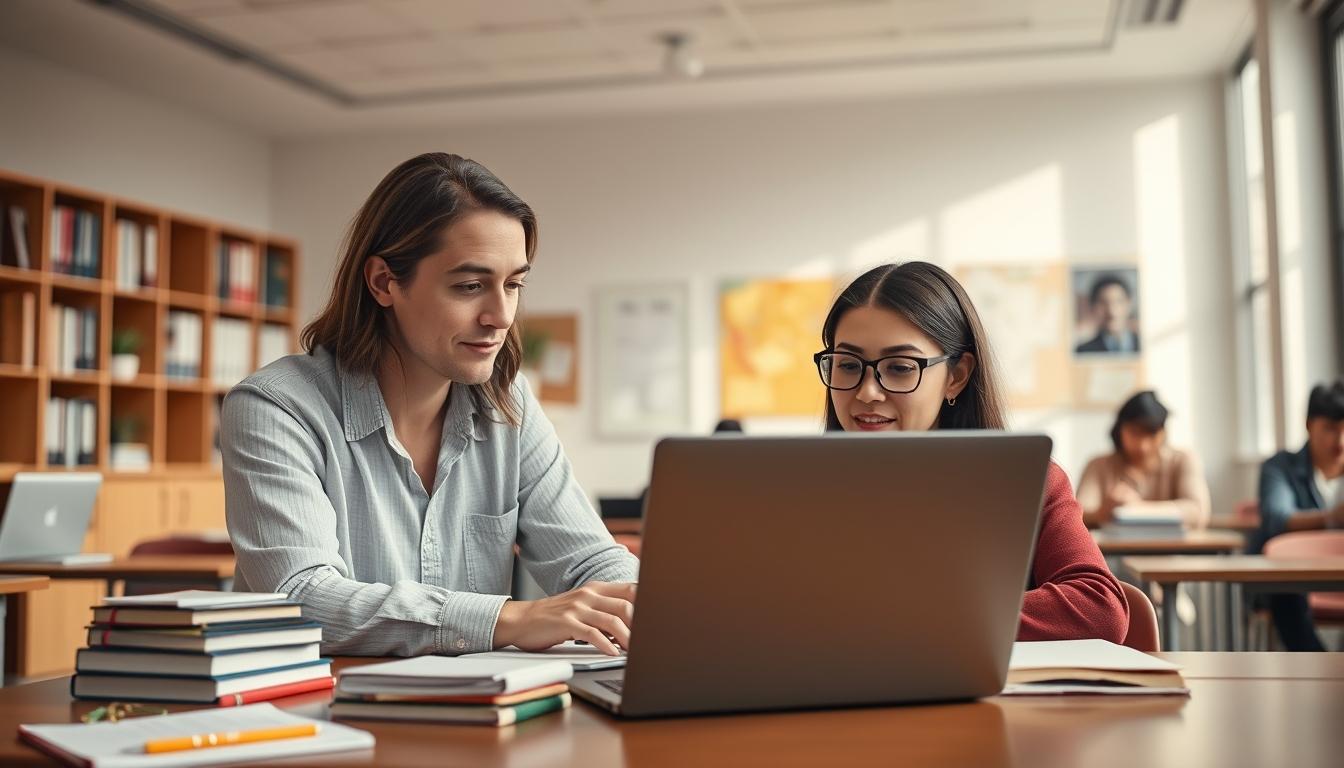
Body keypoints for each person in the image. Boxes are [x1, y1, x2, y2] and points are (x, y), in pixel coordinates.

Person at [221, 153, 638, 657]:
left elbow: (590, 561)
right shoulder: (277, 408)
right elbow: (299, 598)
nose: (501, 316)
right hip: (320, 716)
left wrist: (647, 604)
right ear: (384, 283)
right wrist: (510, 618)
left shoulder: (509, 406)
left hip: (477, 714)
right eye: (469, 286)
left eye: (514, 285)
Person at [814, 262, 1128, 642]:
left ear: (957, 376)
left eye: (899, 367)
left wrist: (911, 618)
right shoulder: (793, 489)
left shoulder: (1026, 481)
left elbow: (1099, 609)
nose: (867, 392)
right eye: (848, 365)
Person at [1254, 380, 1344, 651]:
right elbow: (1277, 517)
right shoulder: (1280, 467)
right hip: (1293, 584)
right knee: (1285, 593)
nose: (1339, 441)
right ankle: (1323, 671)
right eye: (1329, 429)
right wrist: (1333, 518)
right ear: (1308, 425)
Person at [1076, 391, 1211, 529]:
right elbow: (1077, 515)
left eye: (1152, 434)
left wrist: (1137, 508)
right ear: (1119, 430)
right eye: (1134, 433)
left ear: (1163, 433)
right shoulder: (1098, 466)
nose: (1143, 446)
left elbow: (1198, 512)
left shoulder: (1183, 460)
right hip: (1113, 550)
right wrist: (1101, 512)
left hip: (1173, 549)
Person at [1075, 274, 1139, 354]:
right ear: (1093, 307)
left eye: (1118, 301)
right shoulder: (1083, 351)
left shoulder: (1144, 345)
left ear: (1129, 304)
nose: (1112, 311)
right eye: (1103, 303)